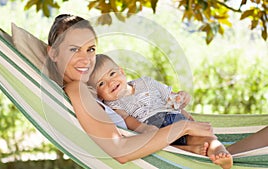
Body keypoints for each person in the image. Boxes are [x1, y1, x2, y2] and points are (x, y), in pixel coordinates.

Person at [44, 13, 225, 168]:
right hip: (153, 147)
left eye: (90, 49)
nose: (86, 59)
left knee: (233, 148)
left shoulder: (88, 89)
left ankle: (192, 149)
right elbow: (120, 150)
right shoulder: (77, 89)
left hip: (162, 143)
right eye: (74, 49)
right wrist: (183, 127)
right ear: (53, 54)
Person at [87, 54, 233, 168]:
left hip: (175, 117)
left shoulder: (146, 82)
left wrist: (182, 97)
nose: (110, 82)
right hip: (155, 127)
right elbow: (127, 120)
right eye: (101, 83)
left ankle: (219, 152)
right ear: (98, 94)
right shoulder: (113, 104)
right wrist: (144, 128)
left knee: (205, 136)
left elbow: (172, 98)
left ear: (122, 71)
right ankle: (190, 150)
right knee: (163, 148)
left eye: (112, 74)